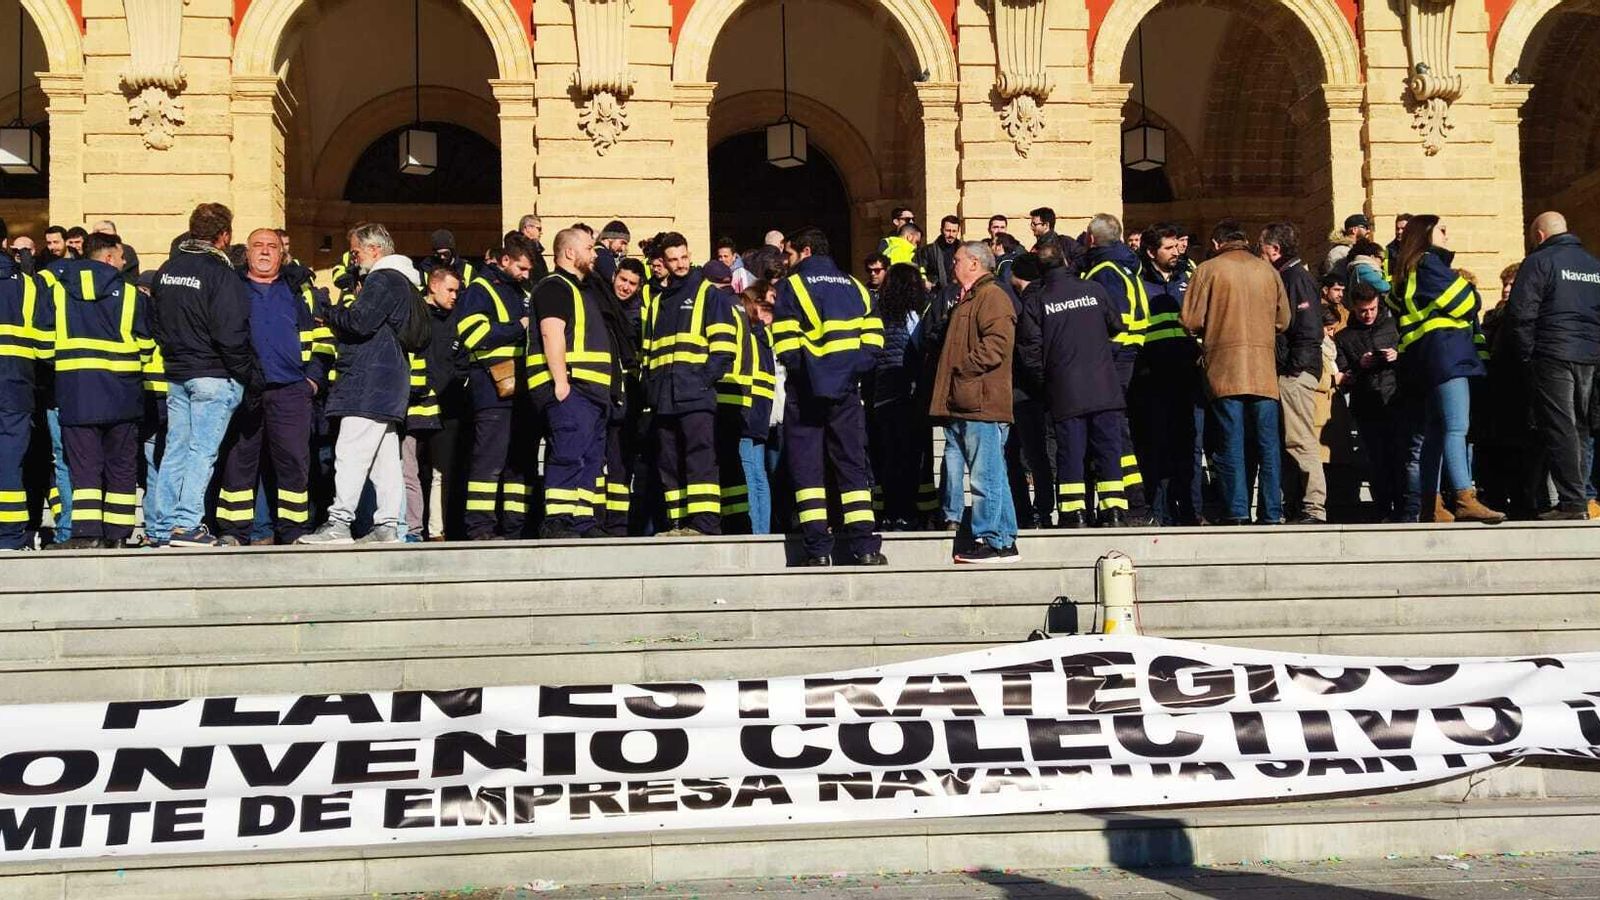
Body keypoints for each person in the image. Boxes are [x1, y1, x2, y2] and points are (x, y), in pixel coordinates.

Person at [772, 226, 886, 565]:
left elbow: (786, 342)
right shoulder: (856, 286)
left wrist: (807, 374)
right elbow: (874, 340)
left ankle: (818, 551)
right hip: (847, 392)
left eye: (789, 254)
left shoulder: (792, 285)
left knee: (808, 472)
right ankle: (864, 547)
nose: (786, 261)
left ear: (805, 252)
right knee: (852, 467)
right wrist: (851, 372)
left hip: (806, 392)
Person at [299, 224, 418, 544]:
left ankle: (339, 523)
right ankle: (387, 526)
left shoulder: (383, 278)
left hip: (369, 379)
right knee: (385, 458)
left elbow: (360, 322)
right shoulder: (404, 281)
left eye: (356, 252)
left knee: (350, 451)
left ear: (375, 250)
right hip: (389, 379)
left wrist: (329, 312)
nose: (353, 260)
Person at [149, 203, 256, 548]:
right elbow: (231, 331)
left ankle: (163, 526)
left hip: (177, 372)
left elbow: (155, 323)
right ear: (224, 236)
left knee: (175, 449)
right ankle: (187, 524)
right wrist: (246, 374)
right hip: (212, 373)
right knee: (202, 451)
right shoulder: (219, 273)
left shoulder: (167, 270)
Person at [214, 228, 330, 545]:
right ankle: (234, 532)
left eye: (272, 247)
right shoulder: (231, 289)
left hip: (292, 389)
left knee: (294, 462)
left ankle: (293, 532)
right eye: (258, 246)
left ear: (282, 254)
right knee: (239, 460)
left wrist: (312, 381)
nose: (265, 252)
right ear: (247, 253)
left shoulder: (298, 291)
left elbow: (322, 341)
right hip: (244, 389)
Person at [1386, 215, 1503, 524]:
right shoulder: (1429, 264)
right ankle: (1465, 496)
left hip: (1422, 361)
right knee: (1456, 427)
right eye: (1442, 230)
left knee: (1435, 433)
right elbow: (1467, 302)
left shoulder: (1405, 272)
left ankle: (1431, 504)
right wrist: (1468, 288)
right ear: (1425, 235)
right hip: (1448, 355)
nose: (1447, 235)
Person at [1181, 219, 1291, 526]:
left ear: (1216, 244)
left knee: (1231, 444)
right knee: (1268, 446)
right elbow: (1284, 320)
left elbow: (1189, 319)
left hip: (1224, 369)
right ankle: (1271, 512)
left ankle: (1238, 511)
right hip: (1263, 370)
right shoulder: (1267, 270)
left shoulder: (1208, 270)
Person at [48, 233, 150, 550]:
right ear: (108, 257)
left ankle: (86, 533)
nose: (123, 263)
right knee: (121, 467)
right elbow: (146, 347)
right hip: (123, 393)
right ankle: (118, 535)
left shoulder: (58, 290)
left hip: (76, 391)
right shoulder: (133, 295)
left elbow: (42, 342)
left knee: (84, 467)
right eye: (120, 257)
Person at [1018, 242, 1128, 527]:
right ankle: (1114, 512)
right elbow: (1116, 325)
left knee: (1071, 454)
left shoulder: (1037, 300)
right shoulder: (1094, 290)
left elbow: (1030, 352)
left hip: (1065, 391)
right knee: (1109, 451)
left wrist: (1048, 384)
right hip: (1104, 387)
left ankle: (1074, 514)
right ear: (1066, 261)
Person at [1504, 211, 1600, 520]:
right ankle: (1583, 496)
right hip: (1590, 357)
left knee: (1560, 425)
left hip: (1553, 354)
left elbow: (1520, 313)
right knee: (1581, 427)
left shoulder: (1540, 261)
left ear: (1540, 236)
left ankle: (1572, 503)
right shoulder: (1592, 264)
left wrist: (1526, 356)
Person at [930, 241, 1019, 563]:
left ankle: (990, 538)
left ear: (974, 263)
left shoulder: (992, 296)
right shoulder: (971, 297)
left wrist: (962, 370)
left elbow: (997, 344)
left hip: (981, 401)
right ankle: (1005, 540)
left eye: (956, 260)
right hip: (968, 399)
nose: (951, 265)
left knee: (985, 476)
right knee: (994, 473)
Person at [646, 232, 738, 536]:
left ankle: (704, 524)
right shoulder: (658, 302)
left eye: (684, 257)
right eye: (673, 259)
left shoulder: (707, 293)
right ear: (663, 262)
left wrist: (702, 381)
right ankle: (677, 522)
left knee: (700, 459)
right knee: (668, 462)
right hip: (663, 396)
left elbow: (724, 348)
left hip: (695, 395)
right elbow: (649, 352)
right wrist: (652, 389)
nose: (681, 263)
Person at [526, 227, 615, 538]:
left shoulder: (581, 291)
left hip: (591, 393)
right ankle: (559, 521)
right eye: (589, 248)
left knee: (589, 460)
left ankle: (583, 521)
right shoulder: (555, 286)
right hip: (572, 389)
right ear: (568, 253)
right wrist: (560, 382)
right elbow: (552, 332)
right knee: (568, 453)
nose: (594, 254)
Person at [458, 233, 537, 540]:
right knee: (488, 462)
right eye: (522, 268)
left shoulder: (522, 290)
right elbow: (472, 334)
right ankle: (480, 529)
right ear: (505, 260)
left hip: (522, 388)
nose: (526, 275)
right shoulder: (480, 288)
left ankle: (515, 528)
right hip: (491, 388)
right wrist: (518, 328)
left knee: (520, 462)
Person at [1082, 213, 1150, 522]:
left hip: (1114, 357)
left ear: (1092, 239)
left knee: (1112, 432)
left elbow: (1114, 317)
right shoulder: (1125, 264)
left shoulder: (1104, 271)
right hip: (1129, 354)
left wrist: (1103, 353)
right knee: (1118, 429)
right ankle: (1132, 501)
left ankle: (1129, 503)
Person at [1260, 222, 1326, 524]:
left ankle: (1314, 507)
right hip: (1291, 369)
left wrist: (1293, 367)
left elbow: (1309, 327)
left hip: (1295, 373)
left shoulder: (1296, 278)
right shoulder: (1288, 276)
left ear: (1275, 250)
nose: (1260, 256)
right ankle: (1297, 505)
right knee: (1291, 440)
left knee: (1300, 440)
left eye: (1262, 250)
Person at [1138, 222, 1202, 525]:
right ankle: (1159, 510)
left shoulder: (1189, 279)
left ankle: (1191, 510)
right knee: (1156, 447)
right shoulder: (1138, 282)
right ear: (1151, 252)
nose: (1176, 253)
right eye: (1168, 248)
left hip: (1188, 377)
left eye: (1177, 247)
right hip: (1151, 379)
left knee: (1190, 446)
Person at [0, 223, 54, 550]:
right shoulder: (29, 286)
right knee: (9, 458)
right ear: (5, 243)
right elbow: (46, 345)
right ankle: (8, 535)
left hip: (15, 385)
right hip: (15, 385)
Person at [401, 266, 465, 541]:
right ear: (433, 286)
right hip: (411, 407)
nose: (454, 297)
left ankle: (437, 530)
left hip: (445, 408)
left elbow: (461, 360)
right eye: (450, 290)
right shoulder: (413, 316)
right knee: (410, 471)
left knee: (441, 472)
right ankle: (411, 529)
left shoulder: (455, 320)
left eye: (457, 291)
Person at [864, 263, 926, 531]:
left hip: (882, 395)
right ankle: (907, 511)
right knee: (910, 457)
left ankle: (889, 511)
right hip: (907, 394)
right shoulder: (913, 317)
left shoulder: (878, 315)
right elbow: (919, 350)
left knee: (887, 456)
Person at [1335, 283, 1403, 520]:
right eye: (1363, 310)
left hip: (1395, 400)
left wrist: (1397, 356)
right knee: (1377, 461)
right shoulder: (1344, 337)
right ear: (1354, 308)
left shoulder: (1394, 327)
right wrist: (1358, 365)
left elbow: (1411, 355)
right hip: (1366, 405)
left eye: (1373, 309)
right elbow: (1343, 373)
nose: (1369, 314)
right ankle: (1383, 508)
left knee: (1400, 457)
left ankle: (1404, 508)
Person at [1001, 252, 1055, 528]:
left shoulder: (1027, 303)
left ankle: (1031, 509)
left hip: (1025, 391)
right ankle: (1041, 507)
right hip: (1041, 389)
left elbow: (1027, 349)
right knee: (1035, 453)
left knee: (1023, 453)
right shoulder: (1047, 297)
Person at [738, 284, 778, 534]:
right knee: (760, 474)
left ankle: (754, 531)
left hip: (746, 410)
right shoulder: (766, 337)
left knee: (748, 473)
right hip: (762, 412)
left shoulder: (748, 335)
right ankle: (763, 530)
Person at [1028, 207, 1085, 271]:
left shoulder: (1066, 243)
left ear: (1046, 225)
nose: (1031, 227)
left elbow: (1082, 258)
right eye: (1031, 224)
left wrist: (1068, 273)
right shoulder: (1036, 248)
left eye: (1034, 224)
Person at [923, 215, 962, 291]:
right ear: (941, 230)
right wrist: (926, 282)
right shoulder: (928, 251)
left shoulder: (964, 250)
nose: (951, 235)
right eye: (948, 230)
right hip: (936, 293)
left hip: (958, 292)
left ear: (958, 231)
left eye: (954, 231)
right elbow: (921, 270)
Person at [518, 214, 550, 281]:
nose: (541, 232)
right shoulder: (522, 250)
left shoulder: (535, 249)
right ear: (527, 228)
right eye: (539, 229)